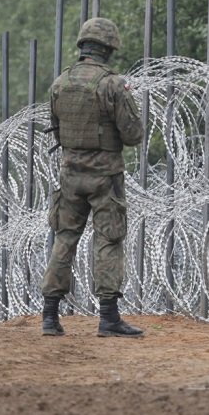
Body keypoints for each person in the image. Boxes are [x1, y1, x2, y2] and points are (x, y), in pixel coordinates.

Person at [41, 17, 145, 337]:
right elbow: (133, 135)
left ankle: (49, 316)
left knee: (64, 238)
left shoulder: (60, 82)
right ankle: (109, 318)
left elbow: (56, 128)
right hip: (104, 176)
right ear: (109, 47)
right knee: (108, 240)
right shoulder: (112, 84)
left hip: (70, 173)